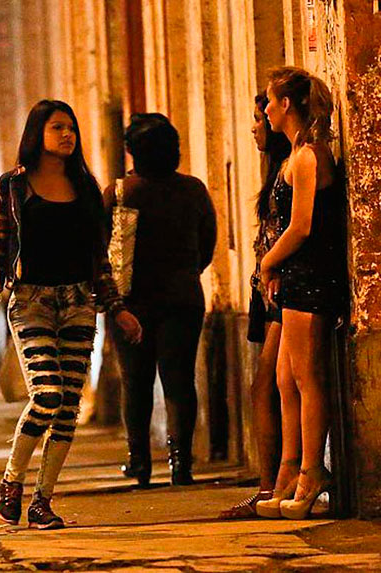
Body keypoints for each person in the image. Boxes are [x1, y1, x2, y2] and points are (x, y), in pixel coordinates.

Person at [0, 100, 142, 529]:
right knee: (46, 393)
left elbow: (98, 257)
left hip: (79, 303)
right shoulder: (12, 186)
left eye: (71, 128)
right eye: (57, 128)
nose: (67, 135)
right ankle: (11, 482)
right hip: (30, 302)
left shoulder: (85, 186)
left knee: (67, 408)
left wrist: (116, 308)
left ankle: (41, 501)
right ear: (38, 133)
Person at [255, 67, 347, 520]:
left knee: (308, 378)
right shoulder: (294, 154)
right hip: (296, 277)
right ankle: (289, 470)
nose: (266, 111)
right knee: (285, 378)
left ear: (286, 105)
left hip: (310, 277)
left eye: (270, 102)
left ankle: (312, 471)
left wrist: (269, 260)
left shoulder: (309, 156)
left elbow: (303, 224)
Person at [106, 114, 216, 487]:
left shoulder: (120, 192)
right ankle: (180, 463)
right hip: (183, 295)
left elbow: (103, 250)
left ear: (132, 151)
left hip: (130, 301)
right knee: (179, 380)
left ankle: (139, 462)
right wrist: (185, 271)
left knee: (134, 382)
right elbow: (208, 244)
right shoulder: (193, 190)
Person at [220, 94, 291, 519]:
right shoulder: (274, 173)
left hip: (283, 292)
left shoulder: (291, 170)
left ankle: (274, 486)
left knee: (267, 385)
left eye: (259, 118)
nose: (255, 126)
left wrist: (270, 268)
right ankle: (274, 484)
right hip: (266, 292)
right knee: (269, 385)